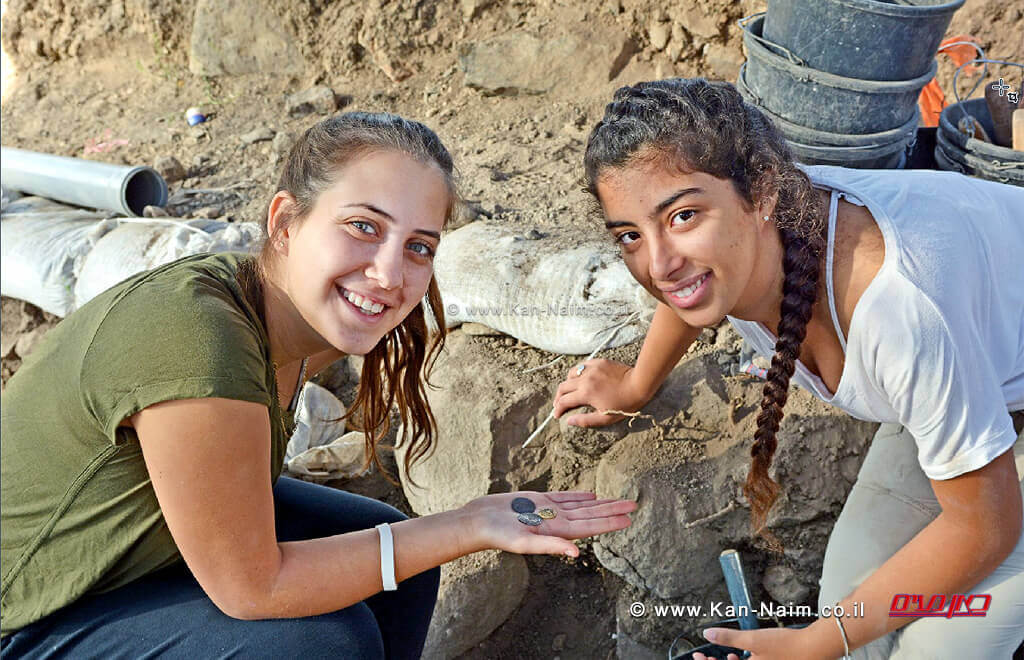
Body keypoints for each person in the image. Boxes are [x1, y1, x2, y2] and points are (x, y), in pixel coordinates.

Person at [0, 112, 637, 658]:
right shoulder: (196, 336)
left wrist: (448, 530)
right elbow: (252, 589)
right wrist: (466, 525)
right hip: (26, 618)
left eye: (418, 246)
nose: (389, 274)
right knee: (318, 644)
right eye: (363, 226)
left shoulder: (266, 314)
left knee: (393, 569)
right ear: (285, 222)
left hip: (123, 566)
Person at [553, 78, 1024, 659]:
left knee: (937, 649)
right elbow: (684, 288)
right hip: (977, 376)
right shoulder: (748, 250)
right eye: (630, 234)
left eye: (682, 216)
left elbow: (985, 528)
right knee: (847, 608)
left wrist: (814, 645)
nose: (658, 263)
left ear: (763, 193)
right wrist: (636, 383)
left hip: (971, 377)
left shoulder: (893, 307)